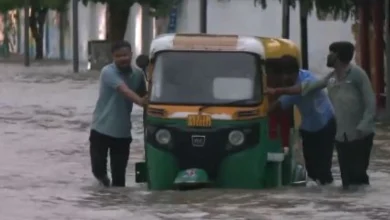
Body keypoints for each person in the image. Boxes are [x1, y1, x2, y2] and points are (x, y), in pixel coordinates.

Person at [268, 42, 376, 190]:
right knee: (340, 179)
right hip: (336, 133)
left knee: (355, 176)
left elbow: (370, 100)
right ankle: (344, 207)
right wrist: (273, 97)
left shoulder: (357, 74)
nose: (328, 56)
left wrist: (364, 125)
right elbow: (304, 90)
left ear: (338, 56)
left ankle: (361, 205)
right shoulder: (331, 78)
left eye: (331, 52)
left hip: (347, 131)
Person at [267, 55, 336, 187]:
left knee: (323, 169)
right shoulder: (288, 86)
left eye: (287, 75)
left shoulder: (308, 79)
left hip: (325, 124)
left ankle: (329, 197)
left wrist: (276, 91)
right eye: (282, 75)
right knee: (311, 170)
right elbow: (280, 104)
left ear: (295, 73)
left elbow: (299, 90)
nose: (284, 79)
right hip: (308, 127)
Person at [89, 41, 147, 187]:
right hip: (101, 129)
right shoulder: (108, 72)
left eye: (125, 55)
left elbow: (145, 96)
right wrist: (141, 101)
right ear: (113, 57)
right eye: (118, 56)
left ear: (131, 55)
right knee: (98, 170)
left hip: (122, 133)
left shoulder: (138, 74)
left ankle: (118, 204)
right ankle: (104, 190)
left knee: (119, 180)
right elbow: (124, 90)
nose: (123, 58)